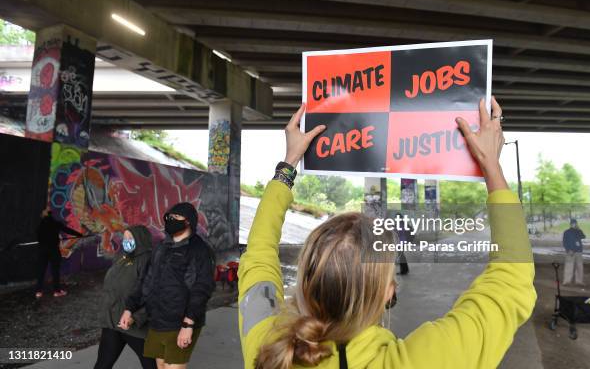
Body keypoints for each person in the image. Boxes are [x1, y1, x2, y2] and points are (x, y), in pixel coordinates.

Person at [238, 98, 537, 369]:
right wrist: (490, 164)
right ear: (388, 292)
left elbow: (258, 255)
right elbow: (510, 283)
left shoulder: (265, 346)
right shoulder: (422, 360)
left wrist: (288, 166)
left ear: (305, 283)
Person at [120, 203, 216, 369]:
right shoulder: (160, 248)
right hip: (157, 320)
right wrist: (130, 308)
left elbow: (202, 289)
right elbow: (146, 281)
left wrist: (188, 324)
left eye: (176, 218)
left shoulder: (199, 250)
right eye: (169, 218)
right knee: (161, 366)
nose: (171, 221)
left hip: (180, 322)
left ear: (188, 222)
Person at [94, 225, 156, 369]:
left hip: (135, 326)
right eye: (125, 238)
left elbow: (154, 296)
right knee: (102, 364)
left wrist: (136, 317)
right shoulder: (121, 257)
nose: (126, 241)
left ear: (140, 239)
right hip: (113, 323)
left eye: (130, 238)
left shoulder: (149, 260)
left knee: (151, 366)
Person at [35, 208, 83, 298]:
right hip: (54, 250)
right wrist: (79, 235)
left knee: (41, 271)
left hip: (42, 251)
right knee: (55, 271)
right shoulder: (56, 223)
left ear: (44, 215)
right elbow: (67, 230)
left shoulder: (40, 225)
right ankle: (57, 291)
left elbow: (38, 237)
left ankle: (38, 291)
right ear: (51, 215)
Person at [562, 218, 585, 286]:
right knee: (569, 266)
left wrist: (579, 229)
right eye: (573, 223)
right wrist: (568, 250)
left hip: (578, 251)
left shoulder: (578, 231)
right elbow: (564, 242)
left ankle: (579, 281)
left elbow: (583, 236)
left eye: (575, 223)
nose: (574, 224)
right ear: (570, 224)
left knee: (579, 266)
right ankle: (566, 281)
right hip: (570, 251)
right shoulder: (566, 232)